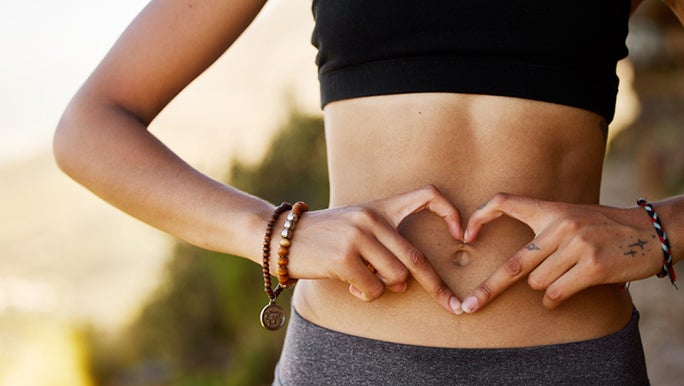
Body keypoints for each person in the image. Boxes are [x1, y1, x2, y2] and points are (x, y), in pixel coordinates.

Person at [54, 0, 684, 384]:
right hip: (347, 365)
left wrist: (660, 231)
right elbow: (91, 126)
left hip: (569, 366)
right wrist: (276, 235)